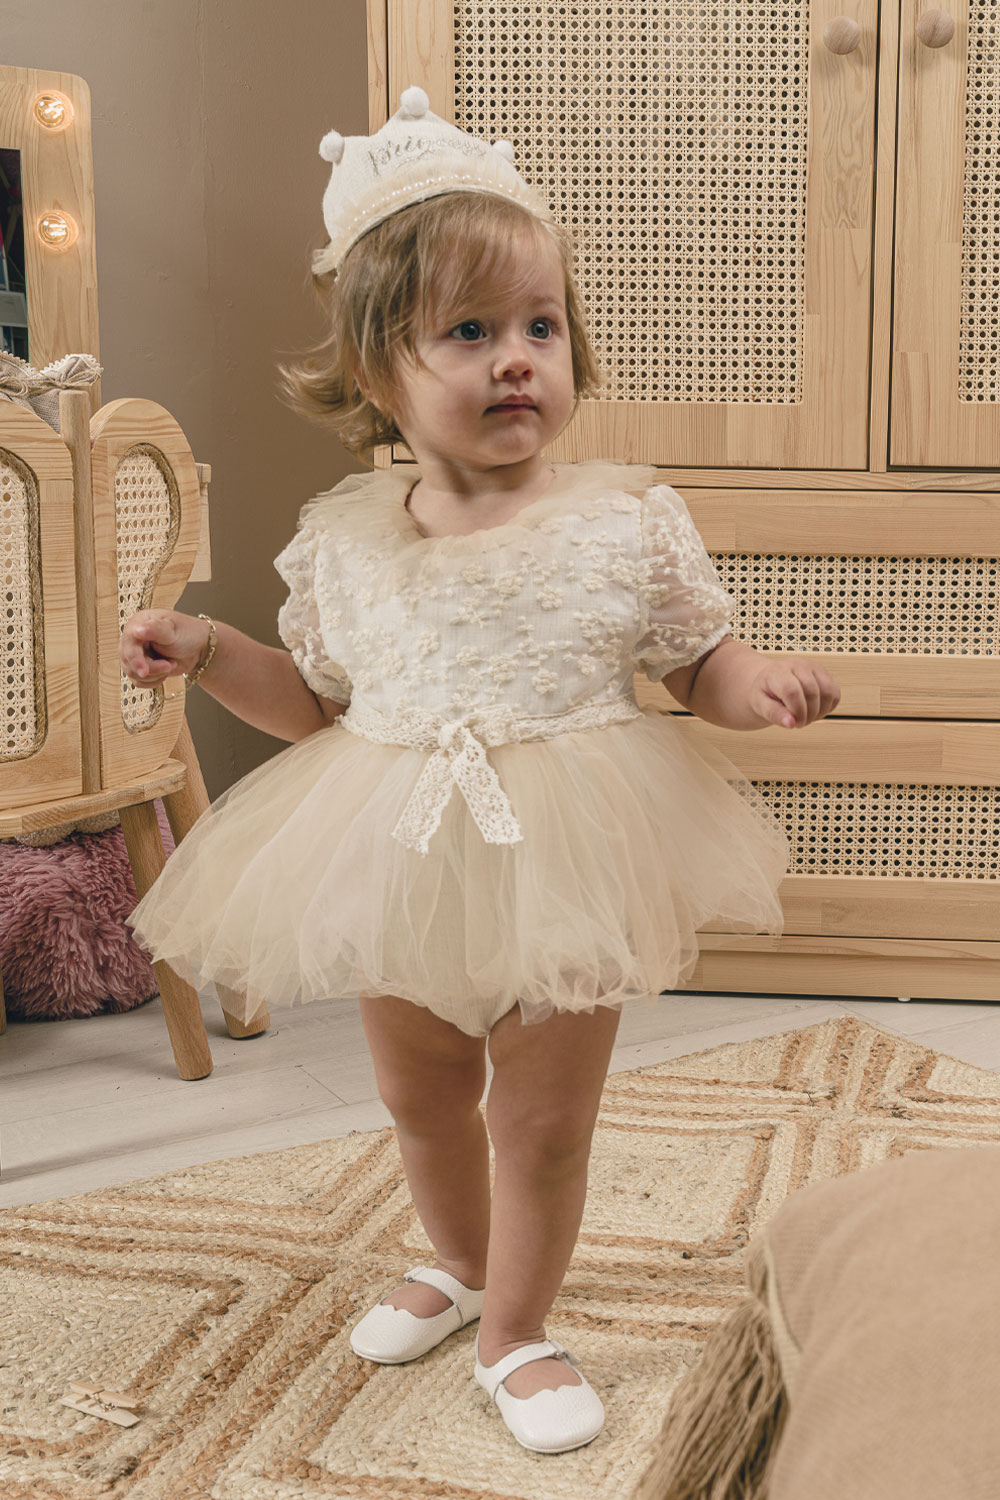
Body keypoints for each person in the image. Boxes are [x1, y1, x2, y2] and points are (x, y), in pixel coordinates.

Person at [120, 87, 840, 1455]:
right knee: (422, 1096)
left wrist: (754, 690)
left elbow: (698, 660)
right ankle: (456, 1263)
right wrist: (212, 651)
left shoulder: (624, 522)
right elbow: (320, 708)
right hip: (398, 844)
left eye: (540, 327)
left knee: (544, 1120)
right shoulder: (343, 542)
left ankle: (516, 1327)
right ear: (376, 372)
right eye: (469, 332)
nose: (516, 360)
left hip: (570, 846)